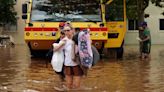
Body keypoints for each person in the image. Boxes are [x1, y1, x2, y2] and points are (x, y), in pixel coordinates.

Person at [54, 26, 83, 91]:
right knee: (69, 85)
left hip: (77, 64)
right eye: (65, 31)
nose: (67, 32)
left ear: (72, 30)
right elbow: (54, 49)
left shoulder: (78, 38)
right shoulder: (64, 40)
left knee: (76, 86)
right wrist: (60, 45)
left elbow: (88, 44)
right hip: (67, 65)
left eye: (68, 30)